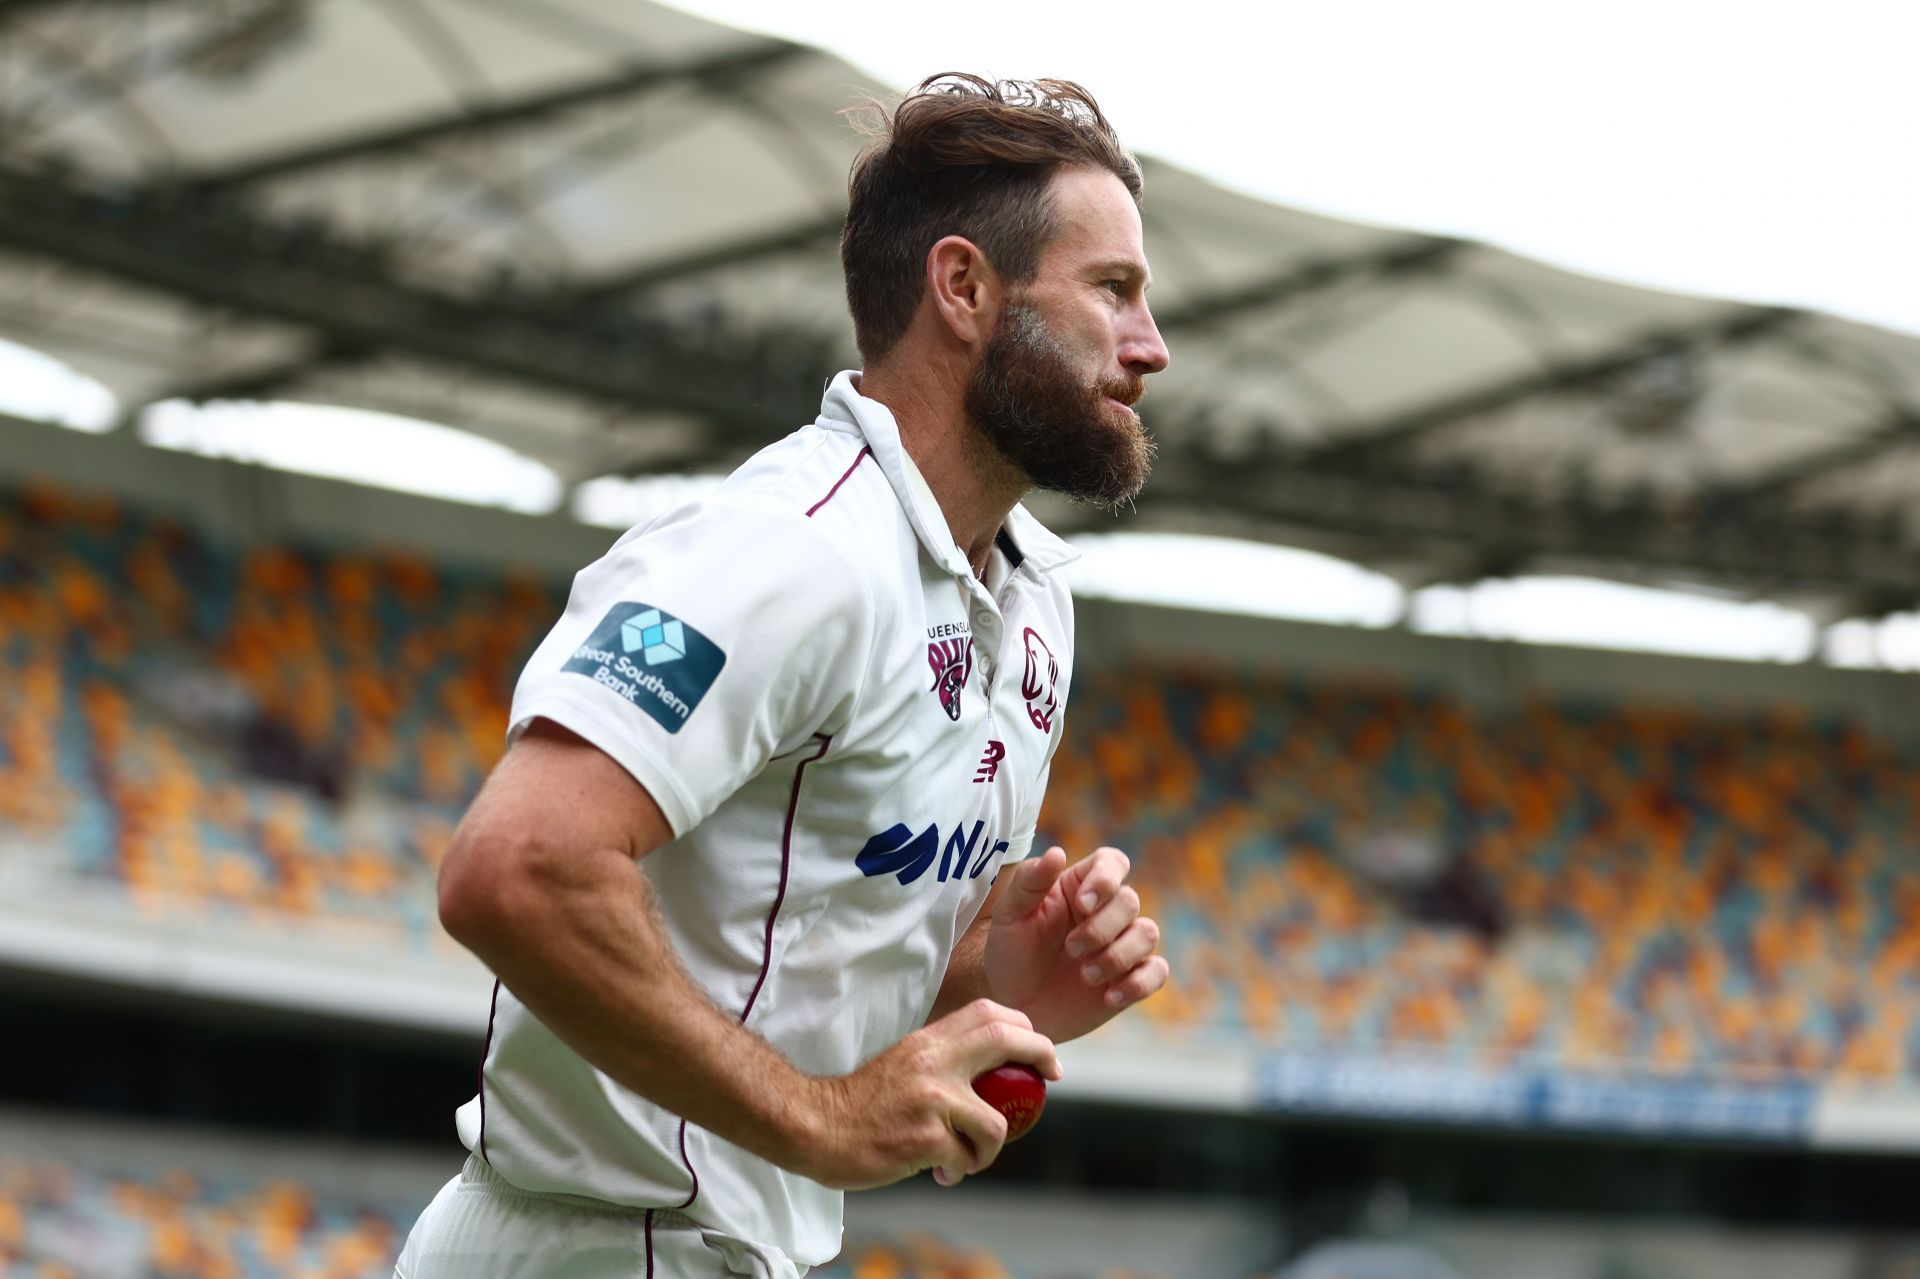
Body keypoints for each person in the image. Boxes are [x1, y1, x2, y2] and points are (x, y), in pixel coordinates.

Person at [394, 72, 1173, 1279]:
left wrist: (993, 979)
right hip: (609, 1245)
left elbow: (798, 962)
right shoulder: (789, 550)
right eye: (1112, 290)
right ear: (963, 288)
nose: (1151, 346)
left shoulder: (1033, 604)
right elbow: (516, 867)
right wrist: (826, 1123)